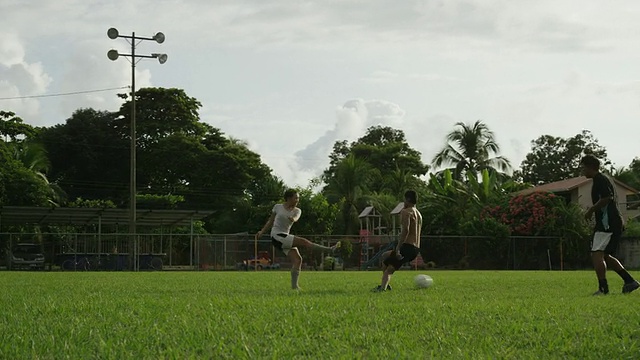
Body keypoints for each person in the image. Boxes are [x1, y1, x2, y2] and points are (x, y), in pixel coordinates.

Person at [255, 189, 341, 290]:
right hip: (276, 236)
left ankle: (294, 287)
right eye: (296, 198)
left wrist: (293, 219)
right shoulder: (277, 207)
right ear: (289, 198)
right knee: (304, 242)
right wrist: (261, 232)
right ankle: (330, 250)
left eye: (298, 198)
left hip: (284, 237)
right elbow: (270, 221)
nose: (297, 200)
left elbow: (296, 218)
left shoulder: (297, 210)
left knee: (298, 259)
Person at [581, 155, 639, 295]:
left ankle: (603, 289)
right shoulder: (601, 179)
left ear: (590, 167)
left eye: (583, 167)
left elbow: (607, 198)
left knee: (596, 254)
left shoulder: (600, 179)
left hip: (607, 224)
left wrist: (590, 210)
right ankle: (630, 281)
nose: (582, 171)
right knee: (605, 256)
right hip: (612, 223)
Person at [373, 190, 423, 292]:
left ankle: (382, 289)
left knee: (389, 270)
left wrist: (398, 247)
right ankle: (385, 285)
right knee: (385, 256)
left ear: (408, 199)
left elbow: (406, 230)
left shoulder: (406, 212)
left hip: (407, 246)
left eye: (404, 199)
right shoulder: (419, 214)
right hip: (416, 248)